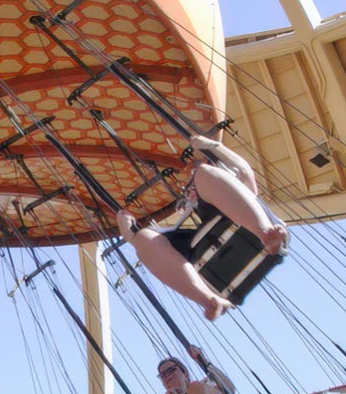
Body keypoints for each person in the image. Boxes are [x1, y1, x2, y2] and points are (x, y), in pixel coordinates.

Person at [116, 134, 288, 321]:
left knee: (205, 174)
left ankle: (265, 233)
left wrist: (213, 147)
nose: (190, 187)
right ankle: (209, 300)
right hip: (205, 253)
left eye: (191, 184)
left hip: (245, 223)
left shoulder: (233, 192)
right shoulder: (188, 224)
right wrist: (127, 225)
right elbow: (138, 240)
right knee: (143, 240)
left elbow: (243, 170)